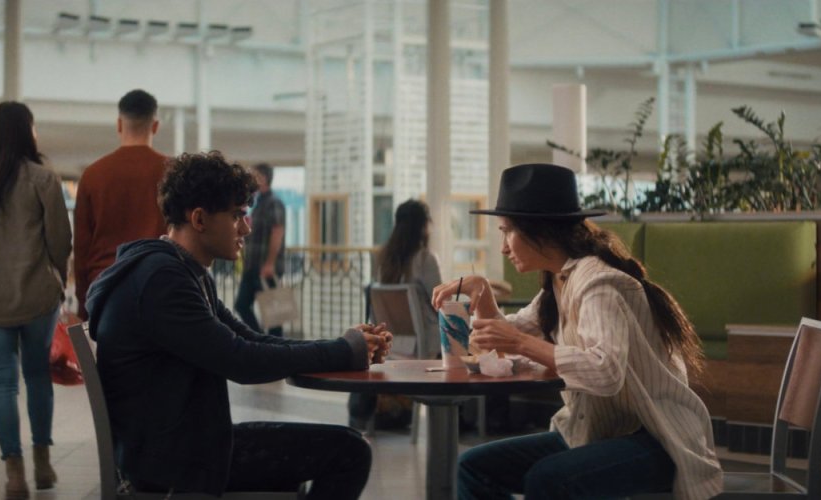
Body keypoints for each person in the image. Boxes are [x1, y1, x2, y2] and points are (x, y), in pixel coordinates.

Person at [85, 151, 392, 499]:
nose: (247, 227)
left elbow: (249, 339)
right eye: (237, 215)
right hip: (172, 464)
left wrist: (345, 345)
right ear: (199, 219)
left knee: (346, 444)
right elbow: (241, 360)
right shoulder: (163, 281)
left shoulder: (180, 271)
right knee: (349, 452)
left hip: (178, 446)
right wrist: (343, 349)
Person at [434, 163, 723, 500]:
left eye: (507, 231)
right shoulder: (558, 282)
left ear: (540, 230)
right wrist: (480, 291)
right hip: (596, 430)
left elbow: (604, 371)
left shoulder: (598, 283)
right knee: (473, 466)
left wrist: (519, 343)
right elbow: (509, 335)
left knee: (550, 480)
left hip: (658, 437)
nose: (503, 247)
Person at [0, 101, 72, 500]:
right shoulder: (43, 180)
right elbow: (60, 242)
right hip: (37, 298)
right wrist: (58, 278)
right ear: (27, 131)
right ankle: (43, 464)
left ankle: (14, 474)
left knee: (2, 383)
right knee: (37, 377)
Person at [73, 89, 169, 320]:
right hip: (161, 283)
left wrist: (82, 299)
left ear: (119, 124)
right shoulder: (172, 172)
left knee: (109, 356)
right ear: (155, 126)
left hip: (105, 285)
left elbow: (82, 245)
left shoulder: (93, 175)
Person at [348, 199, 441, 430]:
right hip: (424, 344)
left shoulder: (383, 258)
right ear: (422, 226)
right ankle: (463, 422)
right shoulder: (425, 259)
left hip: (391, 342)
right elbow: (439, 301)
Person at [234, 162, 287, 336]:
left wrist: (270, 263)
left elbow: (277, 231)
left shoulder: (274, 202)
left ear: (263, 179)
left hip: (266, 268)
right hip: (252, 266)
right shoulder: (258, 204)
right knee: (241, 305)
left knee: (274, 317)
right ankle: (259, 339)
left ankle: (275, 350)